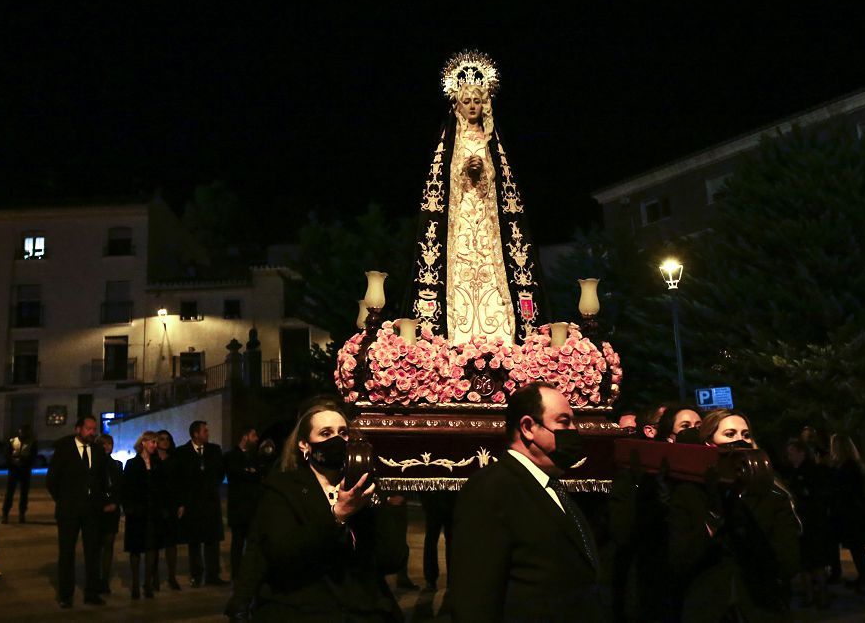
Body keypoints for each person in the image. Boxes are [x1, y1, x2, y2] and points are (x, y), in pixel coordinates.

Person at [406, 51, 547, 345]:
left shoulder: (493, 141)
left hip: (488, 222)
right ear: (457, 104)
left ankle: (500, 335)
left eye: (477, 101)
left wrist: (485, 171)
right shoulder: (448, 141)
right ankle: (456, 336)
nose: (472, 106)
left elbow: (505, 185)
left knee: (493, 275)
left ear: (486, 104)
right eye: (467, 101)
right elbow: (440, 182)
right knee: (460, 272)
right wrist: (462, 171)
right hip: (458, 222)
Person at [450, 381, 607, 621]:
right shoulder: (490, 489)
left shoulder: (550, 483)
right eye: (564, 422)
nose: (573, 431)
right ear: (528, 427)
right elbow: (475, 598)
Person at [250, 400, 406, 621]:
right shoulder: (283, 489)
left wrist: (384, 508)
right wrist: (338, 515)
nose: (336, 440)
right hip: (305, 610)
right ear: (304, 445)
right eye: (325, 433)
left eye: (343, 433)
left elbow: (392, 558)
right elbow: (283, 554)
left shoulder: (364, 488)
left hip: (362, 610)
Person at [668, 409, 801, 622]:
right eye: (730, 434)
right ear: (709, 444)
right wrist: (713, 516)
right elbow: (680, 560)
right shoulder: (689, 495)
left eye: (746, 435)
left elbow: (788, 562)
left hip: (762, 607)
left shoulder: (774, 496)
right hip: (707, 609)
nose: (740, 440)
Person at [46, 415, 111, 608]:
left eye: (93, 429)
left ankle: (91, 592)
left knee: (92, 553)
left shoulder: (97, 451)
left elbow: (101, 479)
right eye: (88, 428)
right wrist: (65, 500)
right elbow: (52, 480)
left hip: (92, 511)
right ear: (78, 429)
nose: (92, 432)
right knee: (67, 553)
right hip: (69, 511)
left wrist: (100, 501)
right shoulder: (64, 449)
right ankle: (66, 595)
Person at [176, 420, 227, 587]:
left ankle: (213, 574)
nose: (207, 434)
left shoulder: (214, 450)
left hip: (210, 502)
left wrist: (212, 487)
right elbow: (181, 478)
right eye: (204, 431)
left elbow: (219, 472)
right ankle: (196, 574)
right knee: (195, 541)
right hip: (193, 503)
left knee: (212, 541)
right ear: (196, 434)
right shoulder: (183, 452)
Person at [783, 438, 833, 607]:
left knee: (815, 560)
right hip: (800, 521)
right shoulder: (793, 471)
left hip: (812, 521)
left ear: (801, 452)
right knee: (804, 561)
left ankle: (822, 594)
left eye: (792, 453)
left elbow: (816, 495)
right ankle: (810, 594)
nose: (790, 457)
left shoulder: (812, 471)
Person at [827, 434, 865, 594]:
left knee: (858, 548)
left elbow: (848, 490)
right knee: (857, 549)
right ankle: (864, 578)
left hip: (853, 514)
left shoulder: (848, 467)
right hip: (853, 513)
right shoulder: (850, 465)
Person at [123, 431, 167, 599]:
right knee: (136, 549)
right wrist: (129, 508)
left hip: (153, 512)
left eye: (155, 442)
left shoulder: (157, 464)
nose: (154, 445)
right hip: (137, 512)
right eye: (152, 442)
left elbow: (163, 486)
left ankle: (147, 584)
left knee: (151, 548)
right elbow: (127, 488)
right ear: (143, 443)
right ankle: (135, 584)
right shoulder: (133, 464)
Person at [223, 425, 264, 582]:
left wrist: (250, 473)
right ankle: (237, 573)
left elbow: (258, 474)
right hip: (239, 507)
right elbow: (236, 473)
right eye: (254, 435)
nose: (257, 438)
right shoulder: (231, 456)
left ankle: (250, 572)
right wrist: (249, 472)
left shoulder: (255, 456)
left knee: (253, 543)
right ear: (245, 436)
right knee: (238, 543)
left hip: (253, 507)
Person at [152, 429, 181, 591]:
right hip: (156, 505)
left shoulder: (174, 460)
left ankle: (171, 576)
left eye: (167, 439)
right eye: (161, 439)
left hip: (171, 505)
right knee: (155, 543)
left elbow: (180, 483)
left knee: (171, 543)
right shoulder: (152, 460)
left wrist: (180, 504)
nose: (165, 441)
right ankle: (154, 577)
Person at [97, 434, 123, 595]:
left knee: (108, 545)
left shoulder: (117, 465)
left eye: (109, 443)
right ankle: (96, 578)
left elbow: (120, 486)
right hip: (98, 511)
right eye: (104, 444)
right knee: (97, 546)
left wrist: (115, 502)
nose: (107, 446)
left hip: (112, 511)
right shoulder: (94, 465)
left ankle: (104, 579)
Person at [420, 490, 456, 591]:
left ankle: (431, 579)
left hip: (436, 501)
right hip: (445, 502)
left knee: (432, 541)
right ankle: (449, 580)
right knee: (448, 542)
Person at [2, 423, 37, 523]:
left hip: (25, 470)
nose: (23, 433)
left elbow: (33, 456)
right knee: (9, 493)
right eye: (22, 431)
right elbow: (7, 454)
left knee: (24, 494)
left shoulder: (32, 442)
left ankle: (22, 514)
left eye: (25, 431)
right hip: (14, 470)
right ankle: (5, 514)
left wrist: (23, 461)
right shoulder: (13, 441)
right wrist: (13, 462)